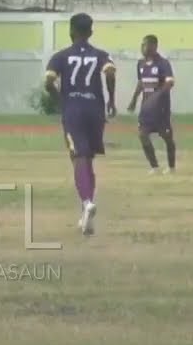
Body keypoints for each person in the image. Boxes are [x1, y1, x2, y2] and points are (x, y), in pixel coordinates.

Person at [45, 12, 116, 236]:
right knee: (88, 159)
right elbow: (110, 73)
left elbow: (48, 81)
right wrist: (112, 100)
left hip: (73, 110)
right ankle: (87, 210)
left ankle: (86, 202)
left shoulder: (61, 56)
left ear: (71, 31)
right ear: (91, 32)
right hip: (95, 110)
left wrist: (62, 101)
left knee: (78, 158)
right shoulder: (101, 54)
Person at [127, 35, 176, 174]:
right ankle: (154, 166)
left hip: (161, 108)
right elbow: (141, 83)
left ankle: (171, 167)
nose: (143, 48)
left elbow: (169, 82)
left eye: (146, 45)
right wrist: (134, 100)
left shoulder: (163, 63)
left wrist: (157, 96)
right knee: (142, 135)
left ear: (154, 46)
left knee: (167, 137)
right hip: (146, 108)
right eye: (142, 45)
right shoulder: (140, 64)